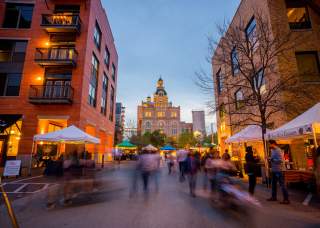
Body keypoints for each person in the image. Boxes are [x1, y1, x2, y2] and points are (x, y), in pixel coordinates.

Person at [267, 140, 289, 204]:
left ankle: (286, 199)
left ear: (273, 144)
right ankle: (274, 197)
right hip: (274, 169)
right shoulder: (272, 150)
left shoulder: (278, 150)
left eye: (269, 144)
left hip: (279, 170)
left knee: (282, 185)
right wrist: (270, 159)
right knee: (273, 184)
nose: (268, 145)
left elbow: (281, 160)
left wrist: (272, 159)